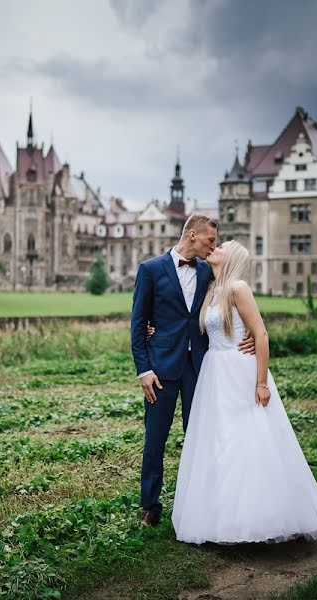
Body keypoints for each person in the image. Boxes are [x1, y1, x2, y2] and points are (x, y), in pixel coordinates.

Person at [170, 240, 317, 544]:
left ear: (231, 256)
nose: (214, 247)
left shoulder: (238, 288)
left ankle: (257, 518)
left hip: (239, 369)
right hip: (214, 371)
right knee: (217, 440)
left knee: (245, 438)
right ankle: (220, 517)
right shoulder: (213, 290)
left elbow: (260, 333)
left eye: (221, 246)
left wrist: (261, 383)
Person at [130, 215, 254, 527]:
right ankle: (150, 506)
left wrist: (249, 334)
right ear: (192, 233)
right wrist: (143, 370)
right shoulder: (150, 269)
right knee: (155, 439)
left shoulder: (208, 271)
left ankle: (204, 502)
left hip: (200, 368)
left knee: (200, 436)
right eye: (210, 240)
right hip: (160, 368)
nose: (214, 247)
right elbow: (137, 323)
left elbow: (233, 302)